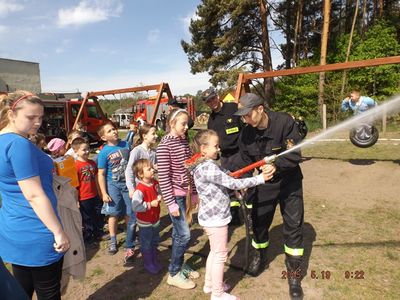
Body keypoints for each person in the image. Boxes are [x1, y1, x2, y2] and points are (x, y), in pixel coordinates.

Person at [186, 129, 275, 300]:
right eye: (215, 146)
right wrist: (260, 179)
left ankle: (210, 285)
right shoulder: (207, 168)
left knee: (214, 252)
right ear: (203, 149)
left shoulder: (204, 165)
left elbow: (224, 178)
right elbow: (232, 183)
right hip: (215, 219)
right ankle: (217, 294)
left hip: (211, 217)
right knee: (220, 255)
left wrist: (231, 178)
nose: (218, 149)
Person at [234, 93, 305, 299]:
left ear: (260, 109)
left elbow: (294, 154)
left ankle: (294, 276)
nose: (244, 120)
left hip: (289, 183)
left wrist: (275, 165)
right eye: (243, 116)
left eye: (247, 115)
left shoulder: (284, 122)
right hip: (264, 185)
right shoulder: (246, 134)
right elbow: (245, 162)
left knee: (293, 226)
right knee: (259, 222)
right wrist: (246, 182)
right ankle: (259, 257)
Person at [0, 91, 70, 300]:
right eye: (31, 117)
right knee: (49, 293)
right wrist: (58, 232)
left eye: (40, 117)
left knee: (21, 291)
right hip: (38, 229)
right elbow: (33, 194)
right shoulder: (18, 144)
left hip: (14, 229)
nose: (38, 123)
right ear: (12, 114)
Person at [156, 108, 199, 289]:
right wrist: (171, 203)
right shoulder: (164, 146)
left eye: (187, 124)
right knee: (184, 234)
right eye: (183, 124)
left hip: (186, 194)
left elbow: (191, 170)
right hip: (174, 197)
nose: (186, 127)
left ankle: (180, 265)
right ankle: (173, 273)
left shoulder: (183, 142)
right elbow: (164, 178)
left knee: (178, 234)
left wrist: (195, 192)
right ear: (172, 124)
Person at [202, 87, 244, 226]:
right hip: (225, 156)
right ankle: (235, 215)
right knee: (228, 186)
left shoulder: (233, 108)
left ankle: (250, 213)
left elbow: (245, 126)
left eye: (213, 98)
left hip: (240, 153)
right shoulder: (211, 119)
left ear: (218, 96)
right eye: (208, 102)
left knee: (243, 183)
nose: (212, 102)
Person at [97, 122, 137, 263]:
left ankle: (130, 236)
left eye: (114, 129)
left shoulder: (126, 145)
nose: (114, 131)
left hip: (127, 185)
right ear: (103, 137)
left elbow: (132, 164)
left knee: (129, 212)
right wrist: (104, 192)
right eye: (109, 131)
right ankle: (113, 240)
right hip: (113, 186)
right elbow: (101, 174)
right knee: (113, 213)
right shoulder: (104, 153)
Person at [131, 159, 162, 274]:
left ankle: (154, 259)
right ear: (140, 174)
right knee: (146, 242)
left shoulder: (154, 182)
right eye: (149, 169)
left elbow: (158, 191)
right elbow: (135, 206)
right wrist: (149, 204)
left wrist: (159, 196)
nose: (152, 170)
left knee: (154, 240)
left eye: (152, 168)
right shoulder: (139, 190)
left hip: (155, 218)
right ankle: (148, 263)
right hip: (145, 222)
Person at [72, 137, 104, 244]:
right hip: (83, 197)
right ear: (76, 151)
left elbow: (96, 179)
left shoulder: (92, 163)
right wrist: (76, 200)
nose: (87, 151)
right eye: (83, 150)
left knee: (97, 214)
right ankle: (88, 235)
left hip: (94, 194)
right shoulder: (75, 166)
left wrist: (100, 193)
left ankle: (98, 232)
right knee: (87, 218)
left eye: (88, 149)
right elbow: (75, 185)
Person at [125, 123, 157, 198]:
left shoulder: (153, 152)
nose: (156, 136)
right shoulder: (137, 151)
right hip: (140, 189)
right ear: (144, 136)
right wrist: (131, 188)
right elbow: (129, 170)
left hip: (150, 187)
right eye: (153, 134)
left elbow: (153, 168)